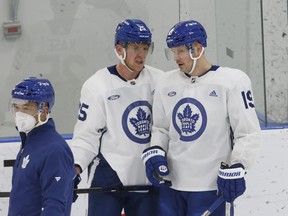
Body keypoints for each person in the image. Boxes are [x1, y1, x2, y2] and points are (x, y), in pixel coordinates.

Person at [141, 20, 261, 215]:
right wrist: (156, 150)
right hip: (171, 187)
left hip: (211, 188)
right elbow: (161, 128)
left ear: (197, 49)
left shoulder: (232, 81)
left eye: (180, 51)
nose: (175, 57)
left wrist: (239, 165)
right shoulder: (165, 82)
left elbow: (247, 133)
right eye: (172, 52)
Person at [71, 19, 164, 216]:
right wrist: (75, 168)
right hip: (108, 173)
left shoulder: (160, 81)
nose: (142, 55)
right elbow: (86, 136)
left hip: (147, 174)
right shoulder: (97, 85)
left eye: (146, 48)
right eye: (136, 47)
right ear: (119, 49)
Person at [8, 77, 75, 216]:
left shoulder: (55, 151)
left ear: (44, 110)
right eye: (16, 107)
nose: (19, 113)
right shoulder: (29, 143)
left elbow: (55, 205)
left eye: (26, 107)